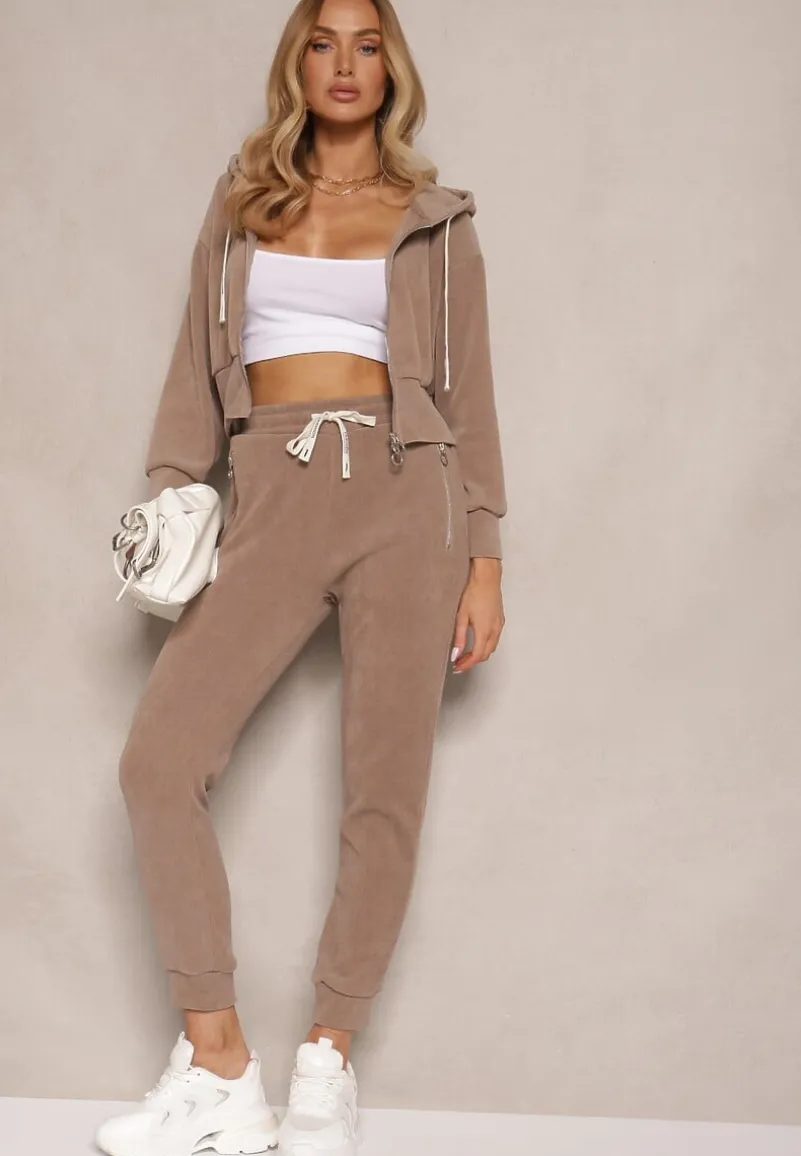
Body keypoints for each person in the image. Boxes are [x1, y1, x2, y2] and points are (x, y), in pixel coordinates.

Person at [95, 0, 507, 1153]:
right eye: (323, 42)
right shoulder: (242, 207)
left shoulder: (435, 222)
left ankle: (328, 1056)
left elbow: (471, 398)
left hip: (406, 496)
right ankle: (220, 1061)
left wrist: (483, 553)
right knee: (158, 761)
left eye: (367, 44)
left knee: (385, 791)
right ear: (298, 64)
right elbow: (192, 372)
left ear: (392, 68)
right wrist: (173, 493)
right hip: (269, 494)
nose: (345, 64)